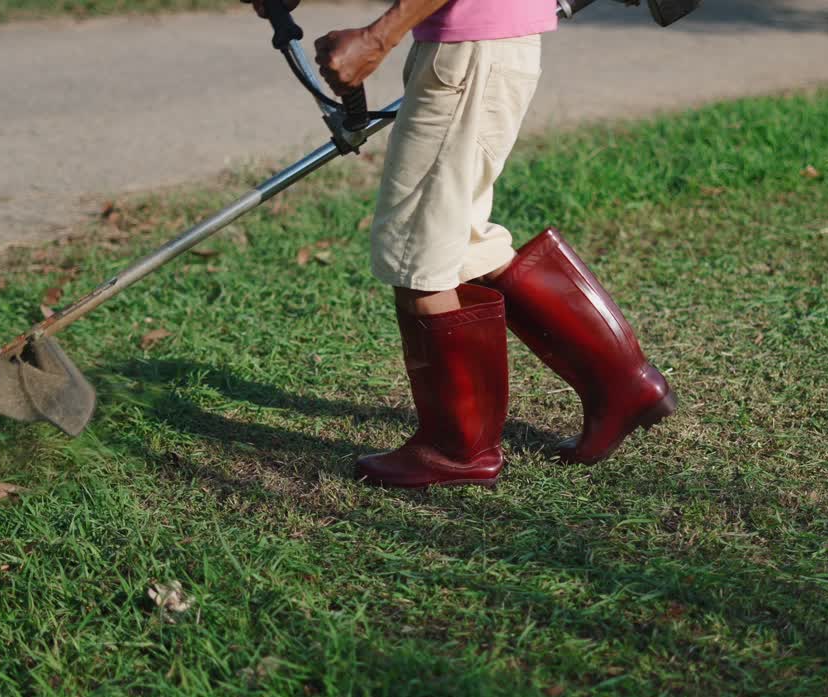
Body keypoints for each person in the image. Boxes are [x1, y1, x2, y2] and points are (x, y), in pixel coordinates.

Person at [254, 0, 676, 489]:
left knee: (418, 249)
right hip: (480, 44)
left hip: (470, 48)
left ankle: (456, 451)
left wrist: (377, 38)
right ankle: (623, 384)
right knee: (461, 237)